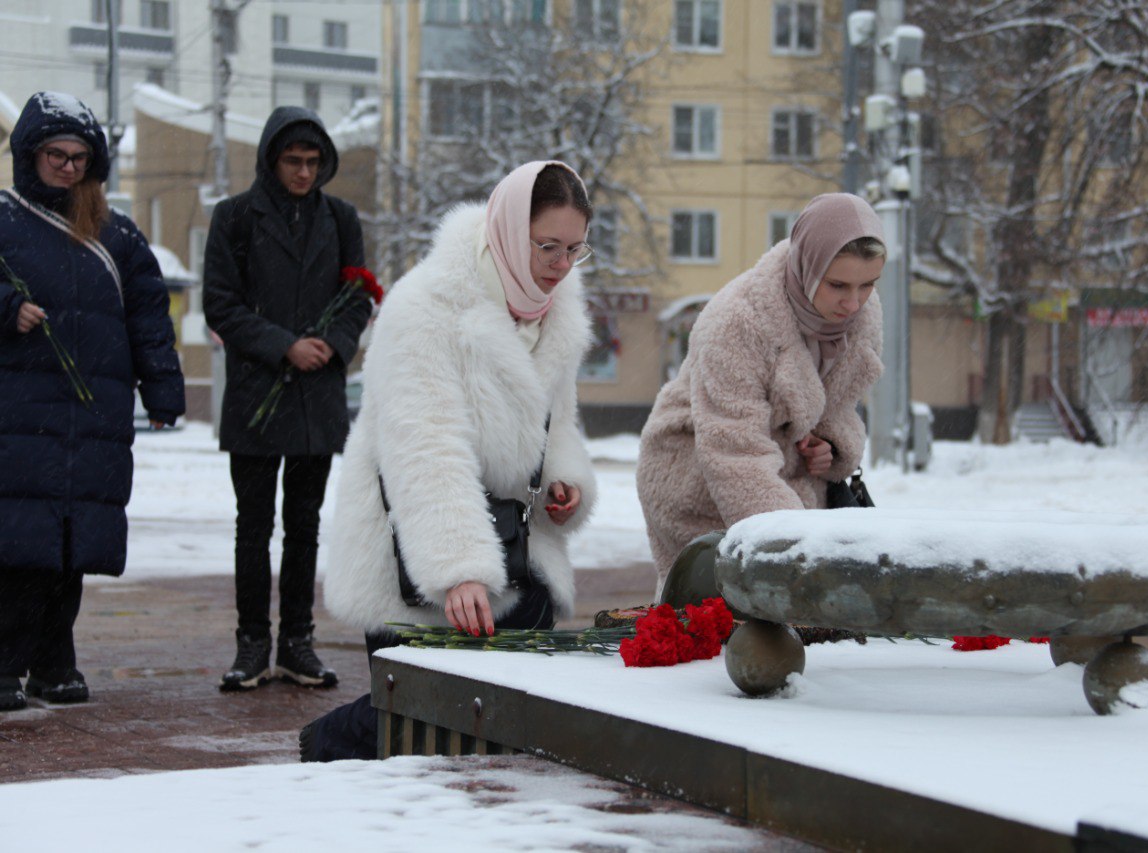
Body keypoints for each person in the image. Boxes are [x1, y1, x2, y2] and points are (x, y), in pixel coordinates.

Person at [304, 160, 598, 760]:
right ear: (512, 232)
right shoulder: (426, 306)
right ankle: (327, 745)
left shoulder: (558, 314)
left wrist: (565, 483)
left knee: (501, 725)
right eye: (548, 246)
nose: (561, 265)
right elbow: (424, 446)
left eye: (575, 249)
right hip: (411, 545)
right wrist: (458, 565)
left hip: (516, 546)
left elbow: (559, 423)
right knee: (417, 725)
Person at [0, 91, 185, 711]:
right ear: (30, 153)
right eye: (56, 154)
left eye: (80, 157)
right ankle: (4, 664)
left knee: (73, 549)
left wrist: (162, 388)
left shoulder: (116, 233)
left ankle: (54, 663)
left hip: (92, 419)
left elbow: (149, 316)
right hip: (19, 416)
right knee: (19, 546)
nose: (69, 167)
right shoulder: (2, 219)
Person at [636, 193, 886, 597]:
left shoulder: (862, 318)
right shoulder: (736, 322)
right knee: (714, 624)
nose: (853, 302)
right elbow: (735, 454)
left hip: (788, 483)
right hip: (695, 479)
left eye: (868, 285)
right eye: (838, 284)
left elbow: (838, 405)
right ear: (807, 264)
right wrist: (802, 553)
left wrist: (830, 446)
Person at [203, 106, 370, 692]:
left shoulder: (340, 217)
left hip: (315, 400)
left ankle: (298, 642)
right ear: (271, 161)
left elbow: (358, 295)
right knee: (253, 527)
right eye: (293, 161)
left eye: (313, 162)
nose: (304, 172)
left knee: (304, 526)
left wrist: (332, 343)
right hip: (256, 395)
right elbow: (220, 304)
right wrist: (283, 346)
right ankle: (252, 645)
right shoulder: (234, 218)